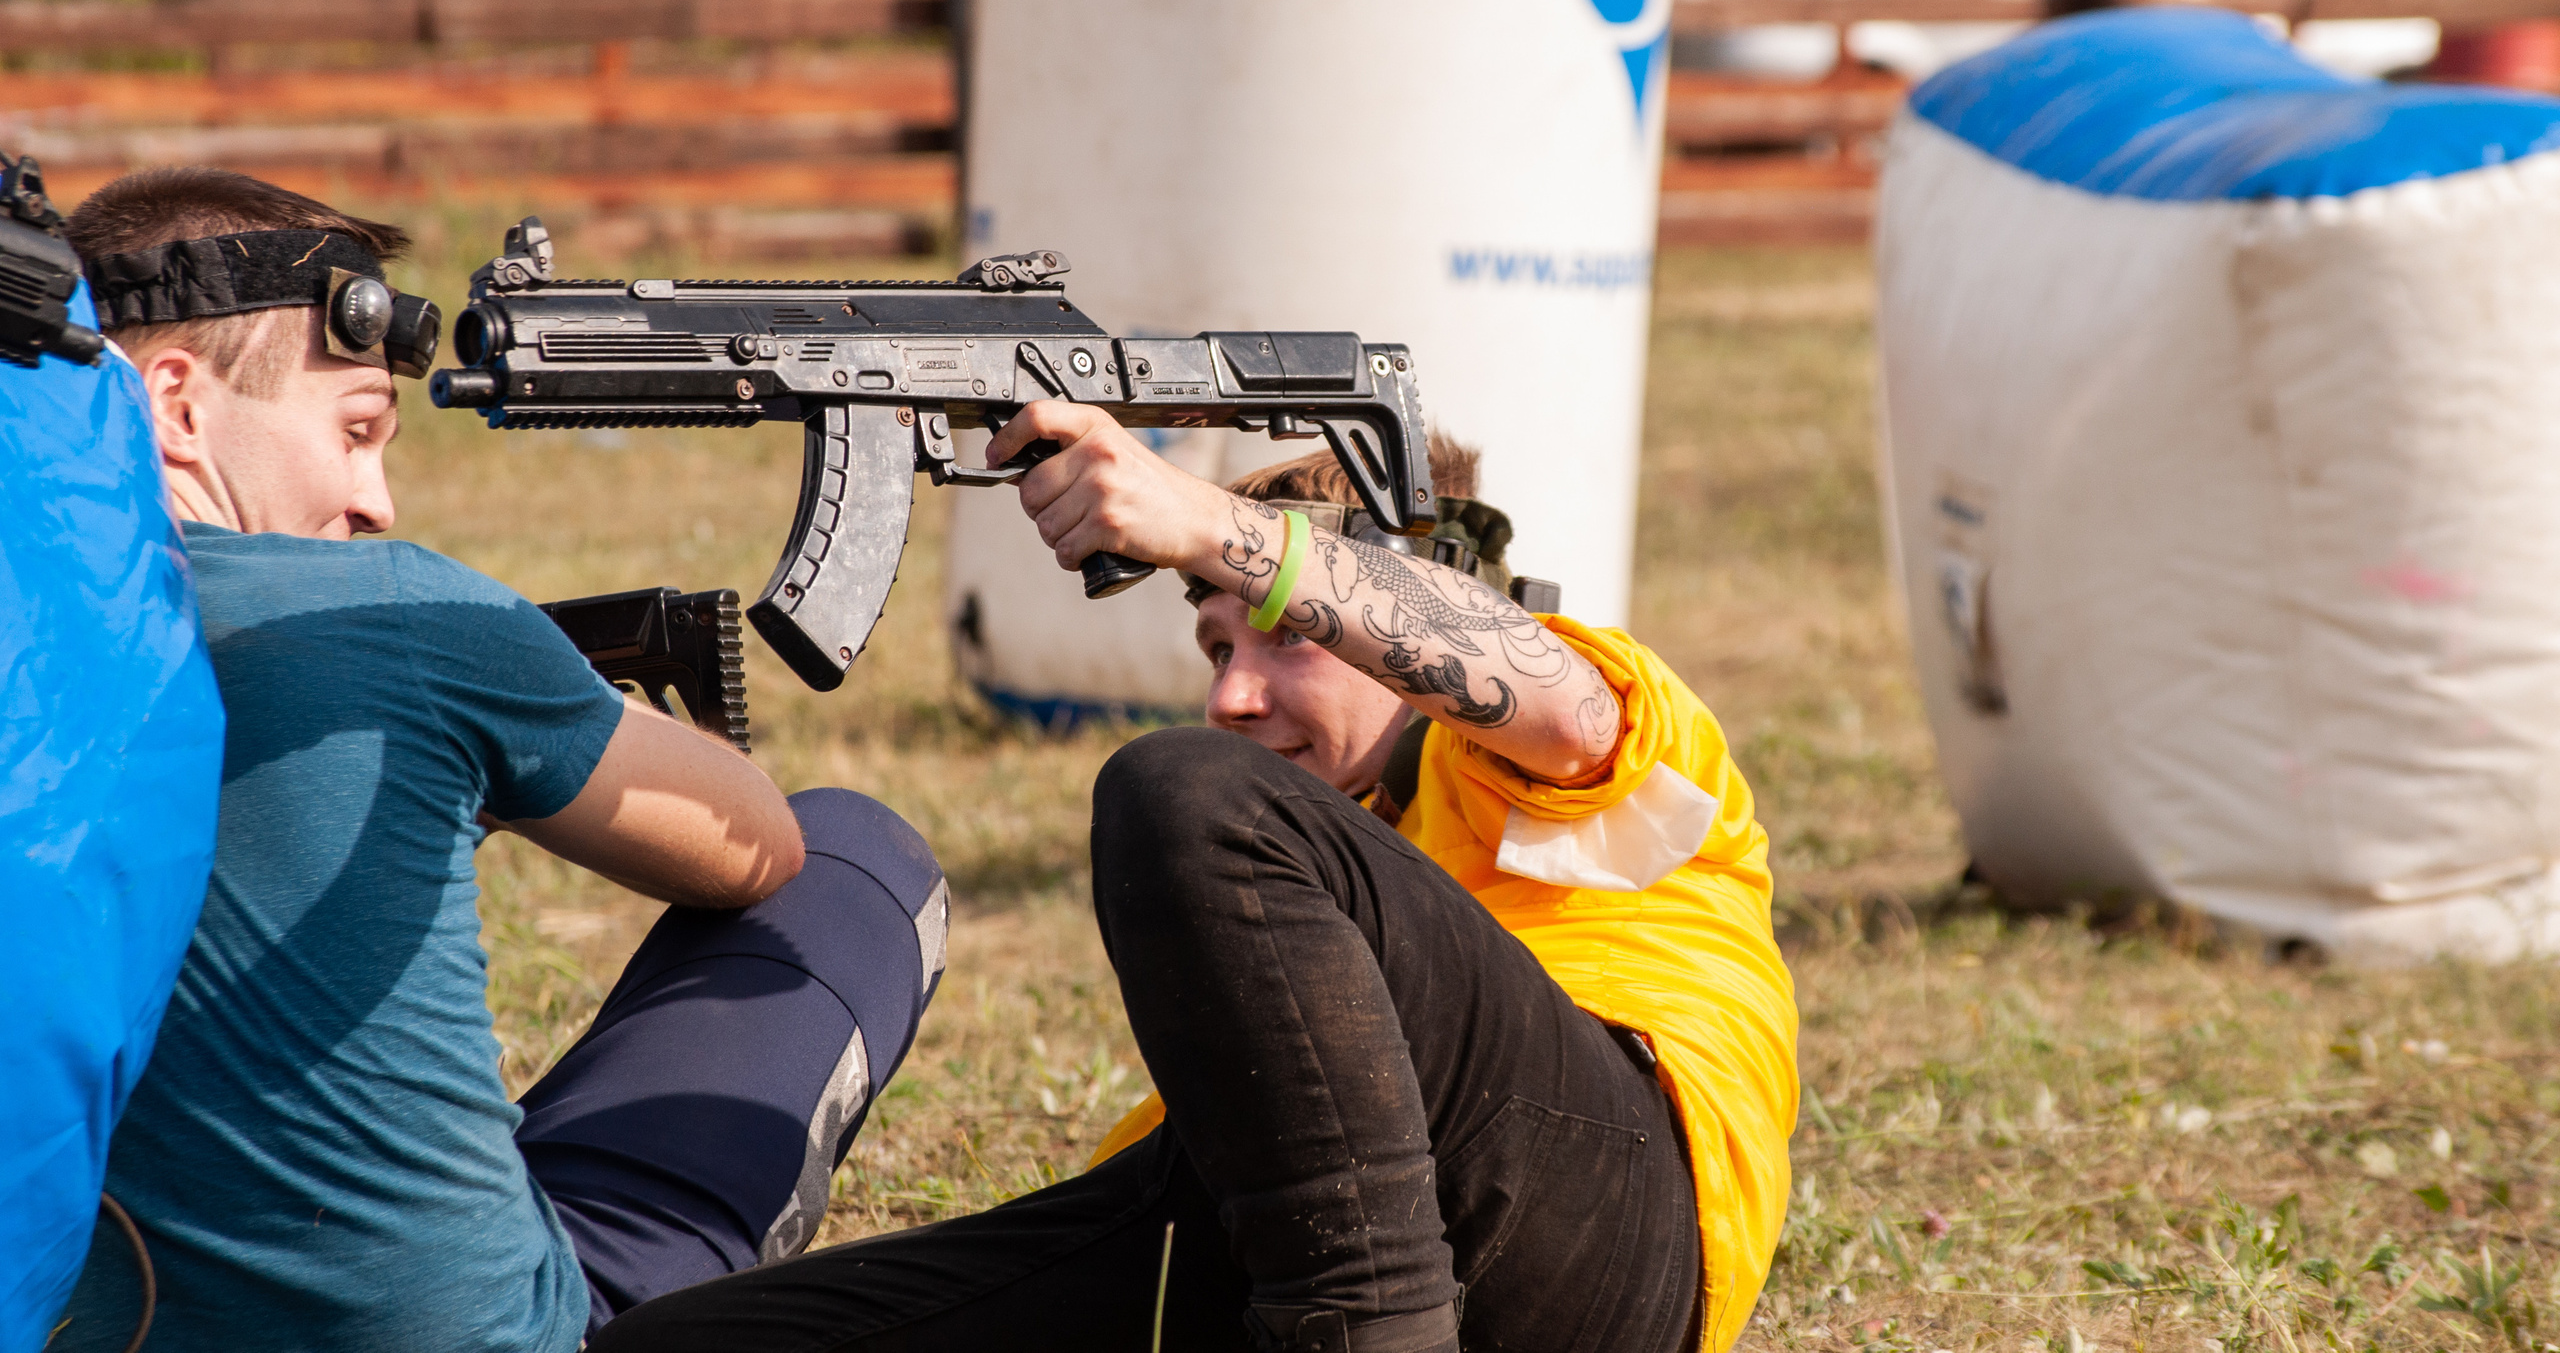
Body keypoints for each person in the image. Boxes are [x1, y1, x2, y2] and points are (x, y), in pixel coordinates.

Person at [593, 405, 1799, 1353]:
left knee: (1185, 792)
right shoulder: (1284, 925)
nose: (1232, 694)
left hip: (1610, 1233)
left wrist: (1210, 527)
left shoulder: (1589, 737)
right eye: (1219, 647)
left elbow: (1552, 699)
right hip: (1302, 1253)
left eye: (1290, 638)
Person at [51, 168, 950, 1353]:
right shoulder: (401, 607)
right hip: (471, 1334)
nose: (375, 502)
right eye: (357, 431)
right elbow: (755, 850)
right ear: (176, 404)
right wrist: (512, 728)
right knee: (853, 853)